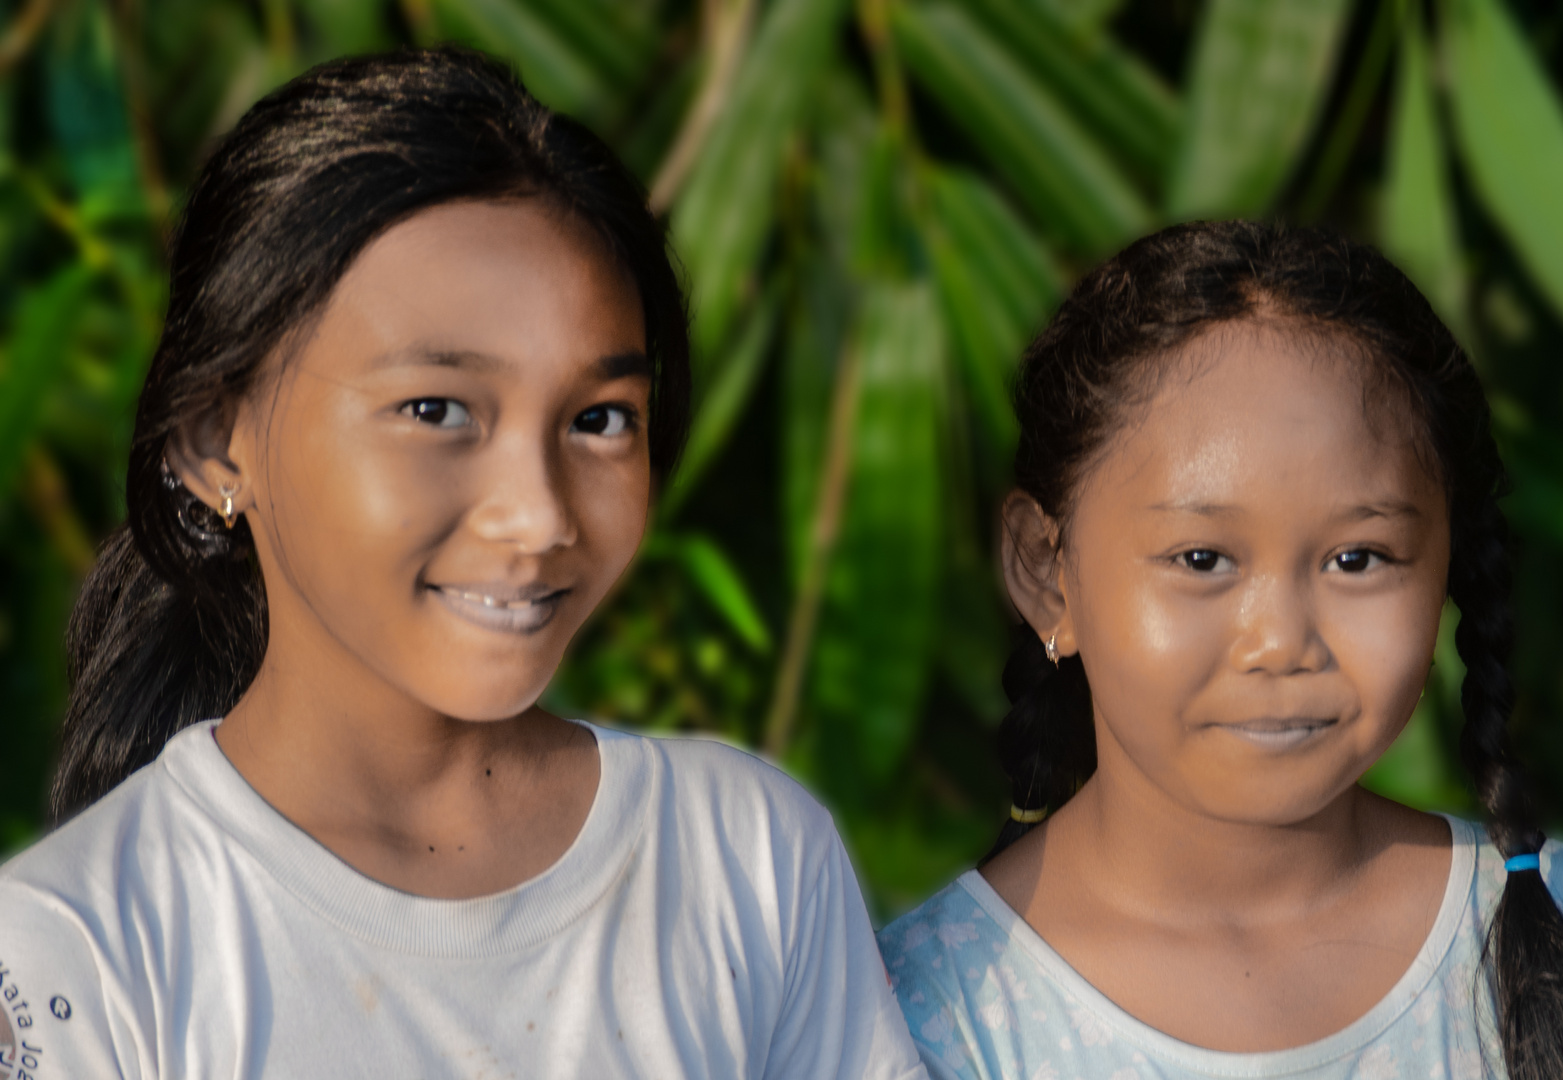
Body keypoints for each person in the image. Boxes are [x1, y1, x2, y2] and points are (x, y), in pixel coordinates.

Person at [0, 47, 924, 1080]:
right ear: (218, 442)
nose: (535, 515)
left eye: (599, 419)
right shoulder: (73, 956)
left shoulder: (745, 861)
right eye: (434, 411)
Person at [879, 221, 1563, 1080]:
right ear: (1048, 573)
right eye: (1201, 561)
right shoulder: (918, 1019)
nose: (1279, 643)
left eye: (1357, 559)